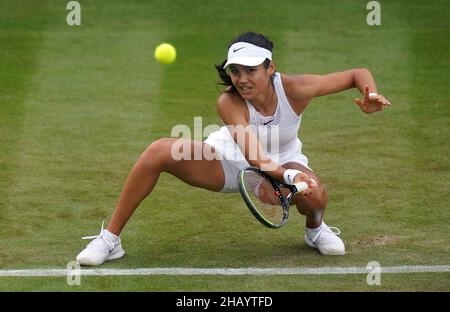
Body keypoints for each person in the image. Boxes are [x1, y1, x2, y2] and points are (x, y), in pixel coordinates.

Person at [76, 32, 391, 265]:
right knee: (159, 150)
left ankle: (316, 230)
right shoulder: (229, 101)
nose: (241, 78)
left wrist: (371, 93)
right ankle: (110, 239)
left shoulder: (295, 89)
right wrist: (289, 180)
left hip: (284, 160)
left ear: (270, 68)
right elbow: (256, 159)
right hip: (228, 162)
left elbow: (355, 74)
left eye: (251, 70)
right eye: (235, 70)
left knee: (317, 194)